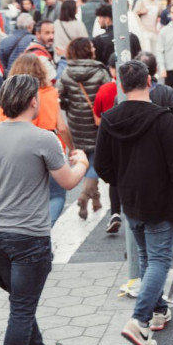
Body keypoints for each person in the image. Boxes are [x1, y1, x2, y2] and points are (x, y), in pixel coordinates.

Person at [0, 74, 88, 345]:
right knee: (21, 309)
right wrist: (83, 162)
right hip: (30, 238)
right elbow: (68, 182)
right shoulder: (43, 138)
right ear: (32, 101)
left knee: (20, 301)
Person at [95, 60, 173, 345]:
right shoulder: (162, 118)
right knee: (160, 260)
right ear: (149, 81)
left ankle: (158, 309)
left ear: (120, 85)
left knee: (146, 257)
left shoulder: (110, 118)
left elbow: (102, 165)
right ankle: (139, 320)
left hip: (131, 200)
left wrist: (122, 180)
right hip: (161, 200)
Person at [0, 54, 74, 226]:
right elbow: (62, 127)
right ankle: (46, 228)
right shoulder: (50, 93)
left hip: (16, 153)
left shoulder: (5, 103)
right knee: (56, 195)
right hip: (50, 149)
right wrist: (71, 148)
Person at [56, 37, 112, 219]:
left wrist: (68, 105)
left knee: (85, 160)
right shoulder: (100, 71)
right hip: (97, 123)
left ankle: (94, 199)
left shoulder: (66, 72)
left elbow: (59, 96)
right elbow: (108, 94)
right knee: (95, 163)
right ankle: (84, 195)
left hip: (76, 123)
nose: (94, 48)